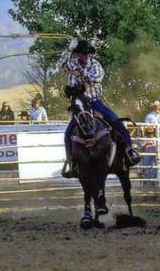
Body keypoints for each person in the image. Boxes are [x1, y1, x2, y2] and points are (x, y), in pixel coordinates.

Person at [59, 39, 140, 178]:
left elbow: (97, 77)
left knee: (117, 123)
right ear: (77, 54)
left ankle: (130, 151)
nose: (82, 56)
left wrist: (80, 73)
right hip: (79, 104)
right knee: (68, 134)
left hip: (95, 102)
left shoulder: (95, 65)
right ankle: (72, 162)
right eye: (79, 54)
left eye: (84, 54)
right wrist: (68, 51)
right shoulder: (72, 63)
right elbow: (62, 67)